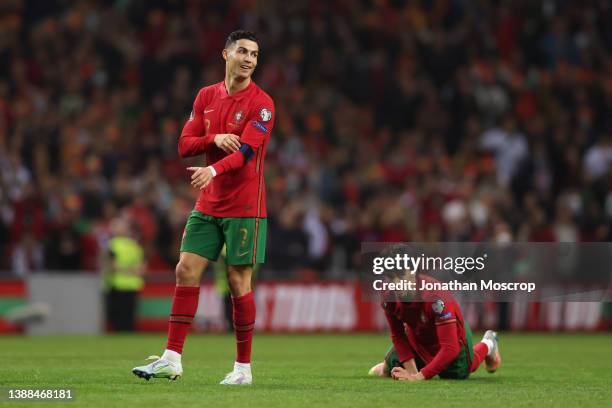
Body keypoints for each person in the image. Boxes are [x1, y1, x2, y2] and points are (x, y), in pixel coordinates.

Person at [133, 30, 274, 385]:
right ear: (225, 54)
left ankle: (243, 369)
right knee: (185, 269)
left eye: (254, 55)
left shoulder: (263, 104)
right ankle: (171, 359)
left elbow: (246, 153)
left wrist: (211, 168)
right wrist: (212, 139)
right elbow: (184, 145)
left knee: (238, 280)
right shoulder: (206, 96)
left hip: (245, 205)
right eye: (242, 51)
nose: (249, 59)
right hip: (209, 203)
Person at [368, 249, 502, 381]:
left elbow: (450, 347)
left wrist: (419, 377)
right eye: (391, 277)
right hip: (419, 338)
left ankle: (488, 343)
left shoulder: (436, 296)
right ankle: (389, 366)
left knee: (456, 373)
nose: (396, 283)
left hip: (452, 337)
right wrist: (412, 374)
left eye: (401, 275)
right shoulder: (387, 294)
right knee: (386, 371)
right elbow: (398, 336)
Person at [104, 217, 145, 332]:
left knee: (117, 318)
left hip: (117, 284)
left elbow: (113, 266)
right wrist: (132, 271)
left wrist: (123, 270)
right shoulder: (134, 245)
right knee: (129, 317)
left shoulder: (111, 245)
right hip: (132, 285)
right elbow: (141, 268)